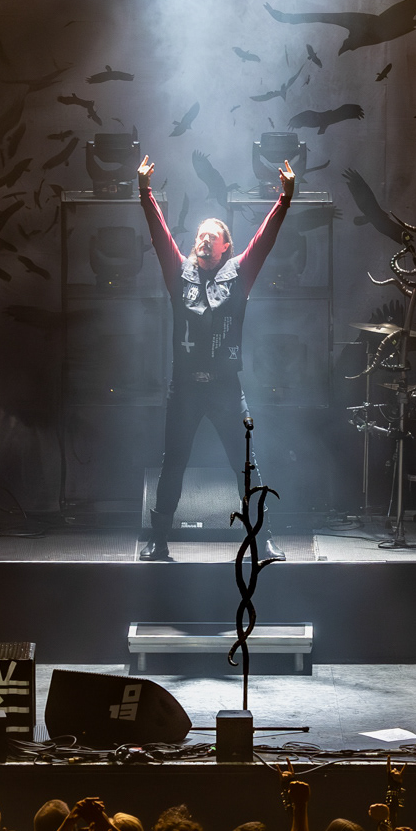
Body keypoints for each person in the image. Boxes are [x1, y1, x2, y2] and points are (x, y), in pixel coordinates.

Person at [137, 153, 294, 562]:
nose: (204, 239)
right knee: (174, 464)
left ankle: (263, 540)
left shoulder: (240, 274)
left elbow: (265, 240)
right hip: (185, 389)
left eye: (213, 235)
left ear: (226, 247)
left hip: (226, 389)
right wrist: (145, 192)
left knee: (246, 466)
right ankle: (158, 540)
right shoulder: (179, 273)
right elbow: (159, 235)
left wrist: (284, 200)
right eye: (200, 235)